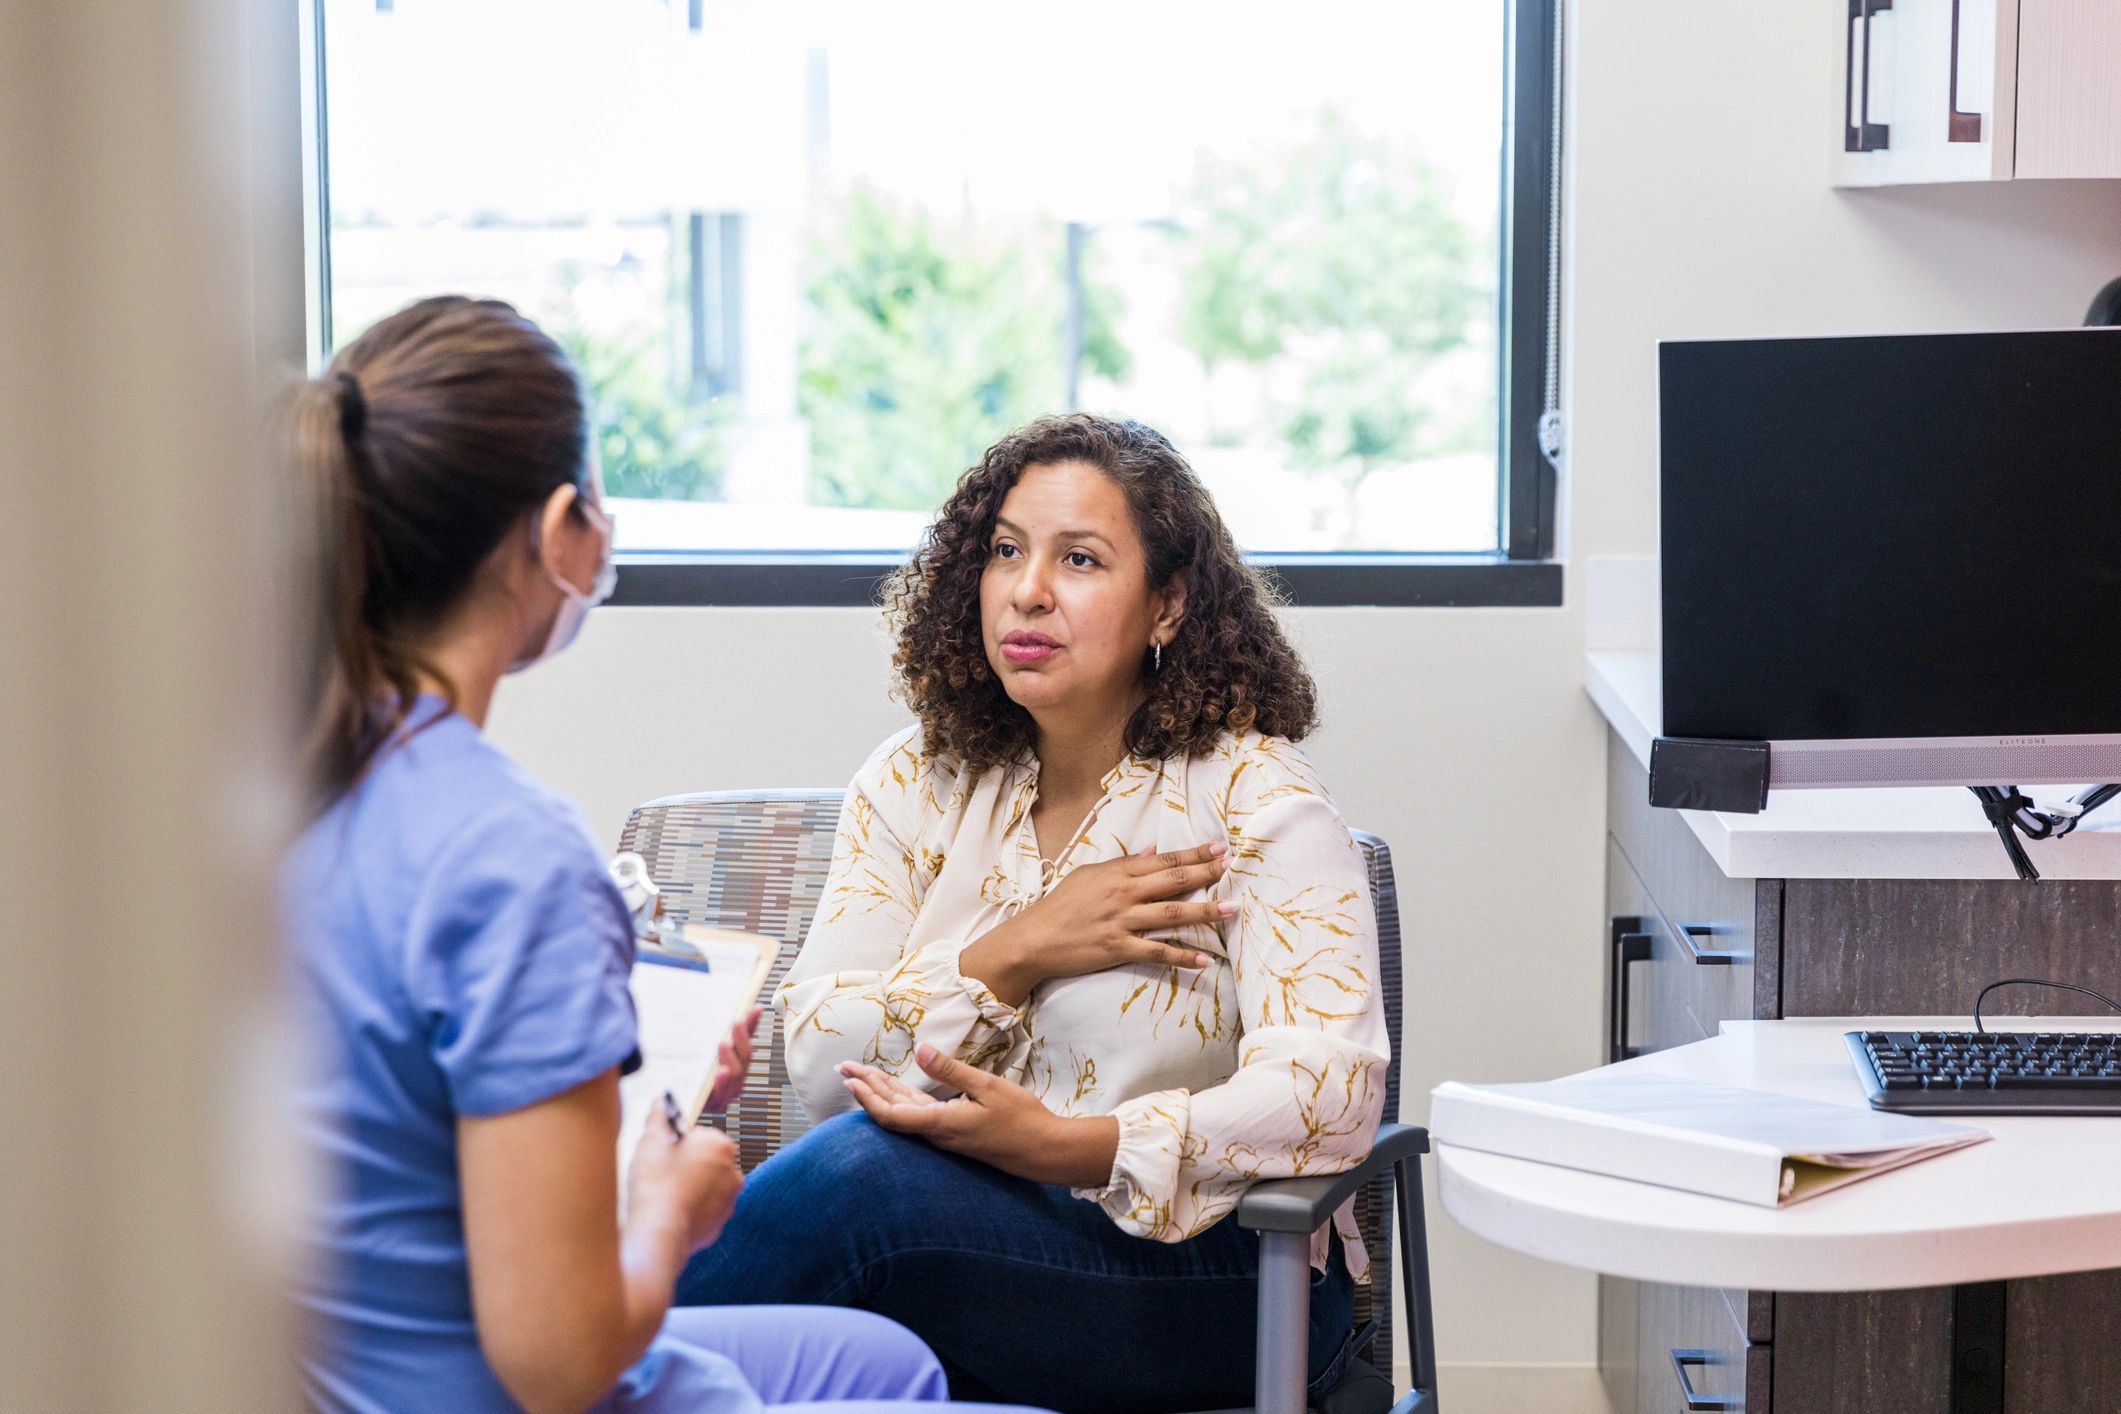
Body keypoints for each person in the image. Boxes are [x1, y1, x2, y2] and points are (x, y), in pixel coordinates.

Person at [284, 294, 1052, 1414]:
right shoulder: (511, 853)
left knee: (892, 1362)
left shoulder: (285, 789)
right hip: (512, 1379)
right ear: (561, 530)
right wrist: (670, 1207)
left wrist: (645, 1102)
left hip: (366, 1361)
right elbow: (557, 1360)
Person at [674, 414, 1390, 1414]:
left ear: (1169, 606)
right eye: (1006, 550)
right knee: (842, 1211)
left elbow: (1333, 1093)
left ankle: (549, 1370)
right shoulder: (914, 780)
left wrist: (1078, 1145)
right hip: (966, 1259)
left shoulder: (1255, 801)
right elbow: (821, 1051)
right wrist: (1018, 949)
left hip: (1214, 1276)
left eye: (1081, 559)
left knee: (853, 1183)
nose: (1028, 589)